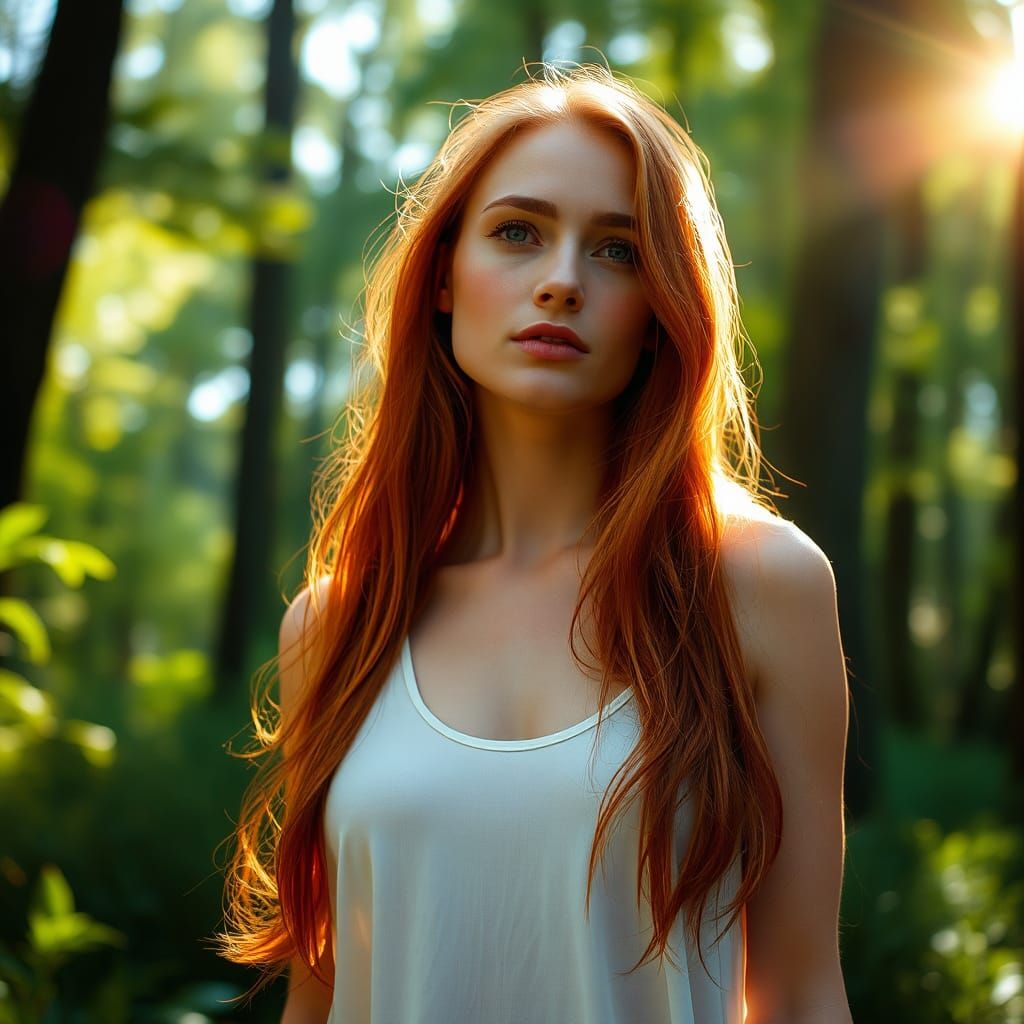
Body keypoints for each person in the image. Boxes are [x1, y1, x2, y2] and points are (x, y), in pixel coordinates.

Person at [215, 62, 853, 1024]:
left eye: (617, 251)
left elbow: (801, 993)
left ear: (660, 311)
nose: (560, 281)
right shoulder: (338, 624)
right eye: (518, 233)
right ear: (441, 276)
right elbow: (322, 998)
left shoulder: (759, 585)